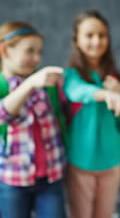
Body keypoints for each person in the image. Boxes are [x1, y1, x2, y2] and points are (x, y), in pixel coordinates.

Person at [63, 10, 120, 218]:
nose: (96, 41)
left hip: (111, 164)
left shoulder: (115, 79)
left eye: (102, 35)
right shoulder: (71, 76)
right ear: (76, 39)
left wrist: (119, 95)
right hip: (80, 163)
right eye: (89, 35)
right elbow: (77, 92)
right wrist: (105, 94)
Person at [0, 21, 66, 218]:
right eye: (30, 51)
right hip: (13, 180)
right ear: (5, 50)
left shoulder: (45, 85)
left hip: (51, 177)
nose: (36, 58)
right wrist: (29, 84)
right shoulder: (10, 85)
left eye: (39, 52)